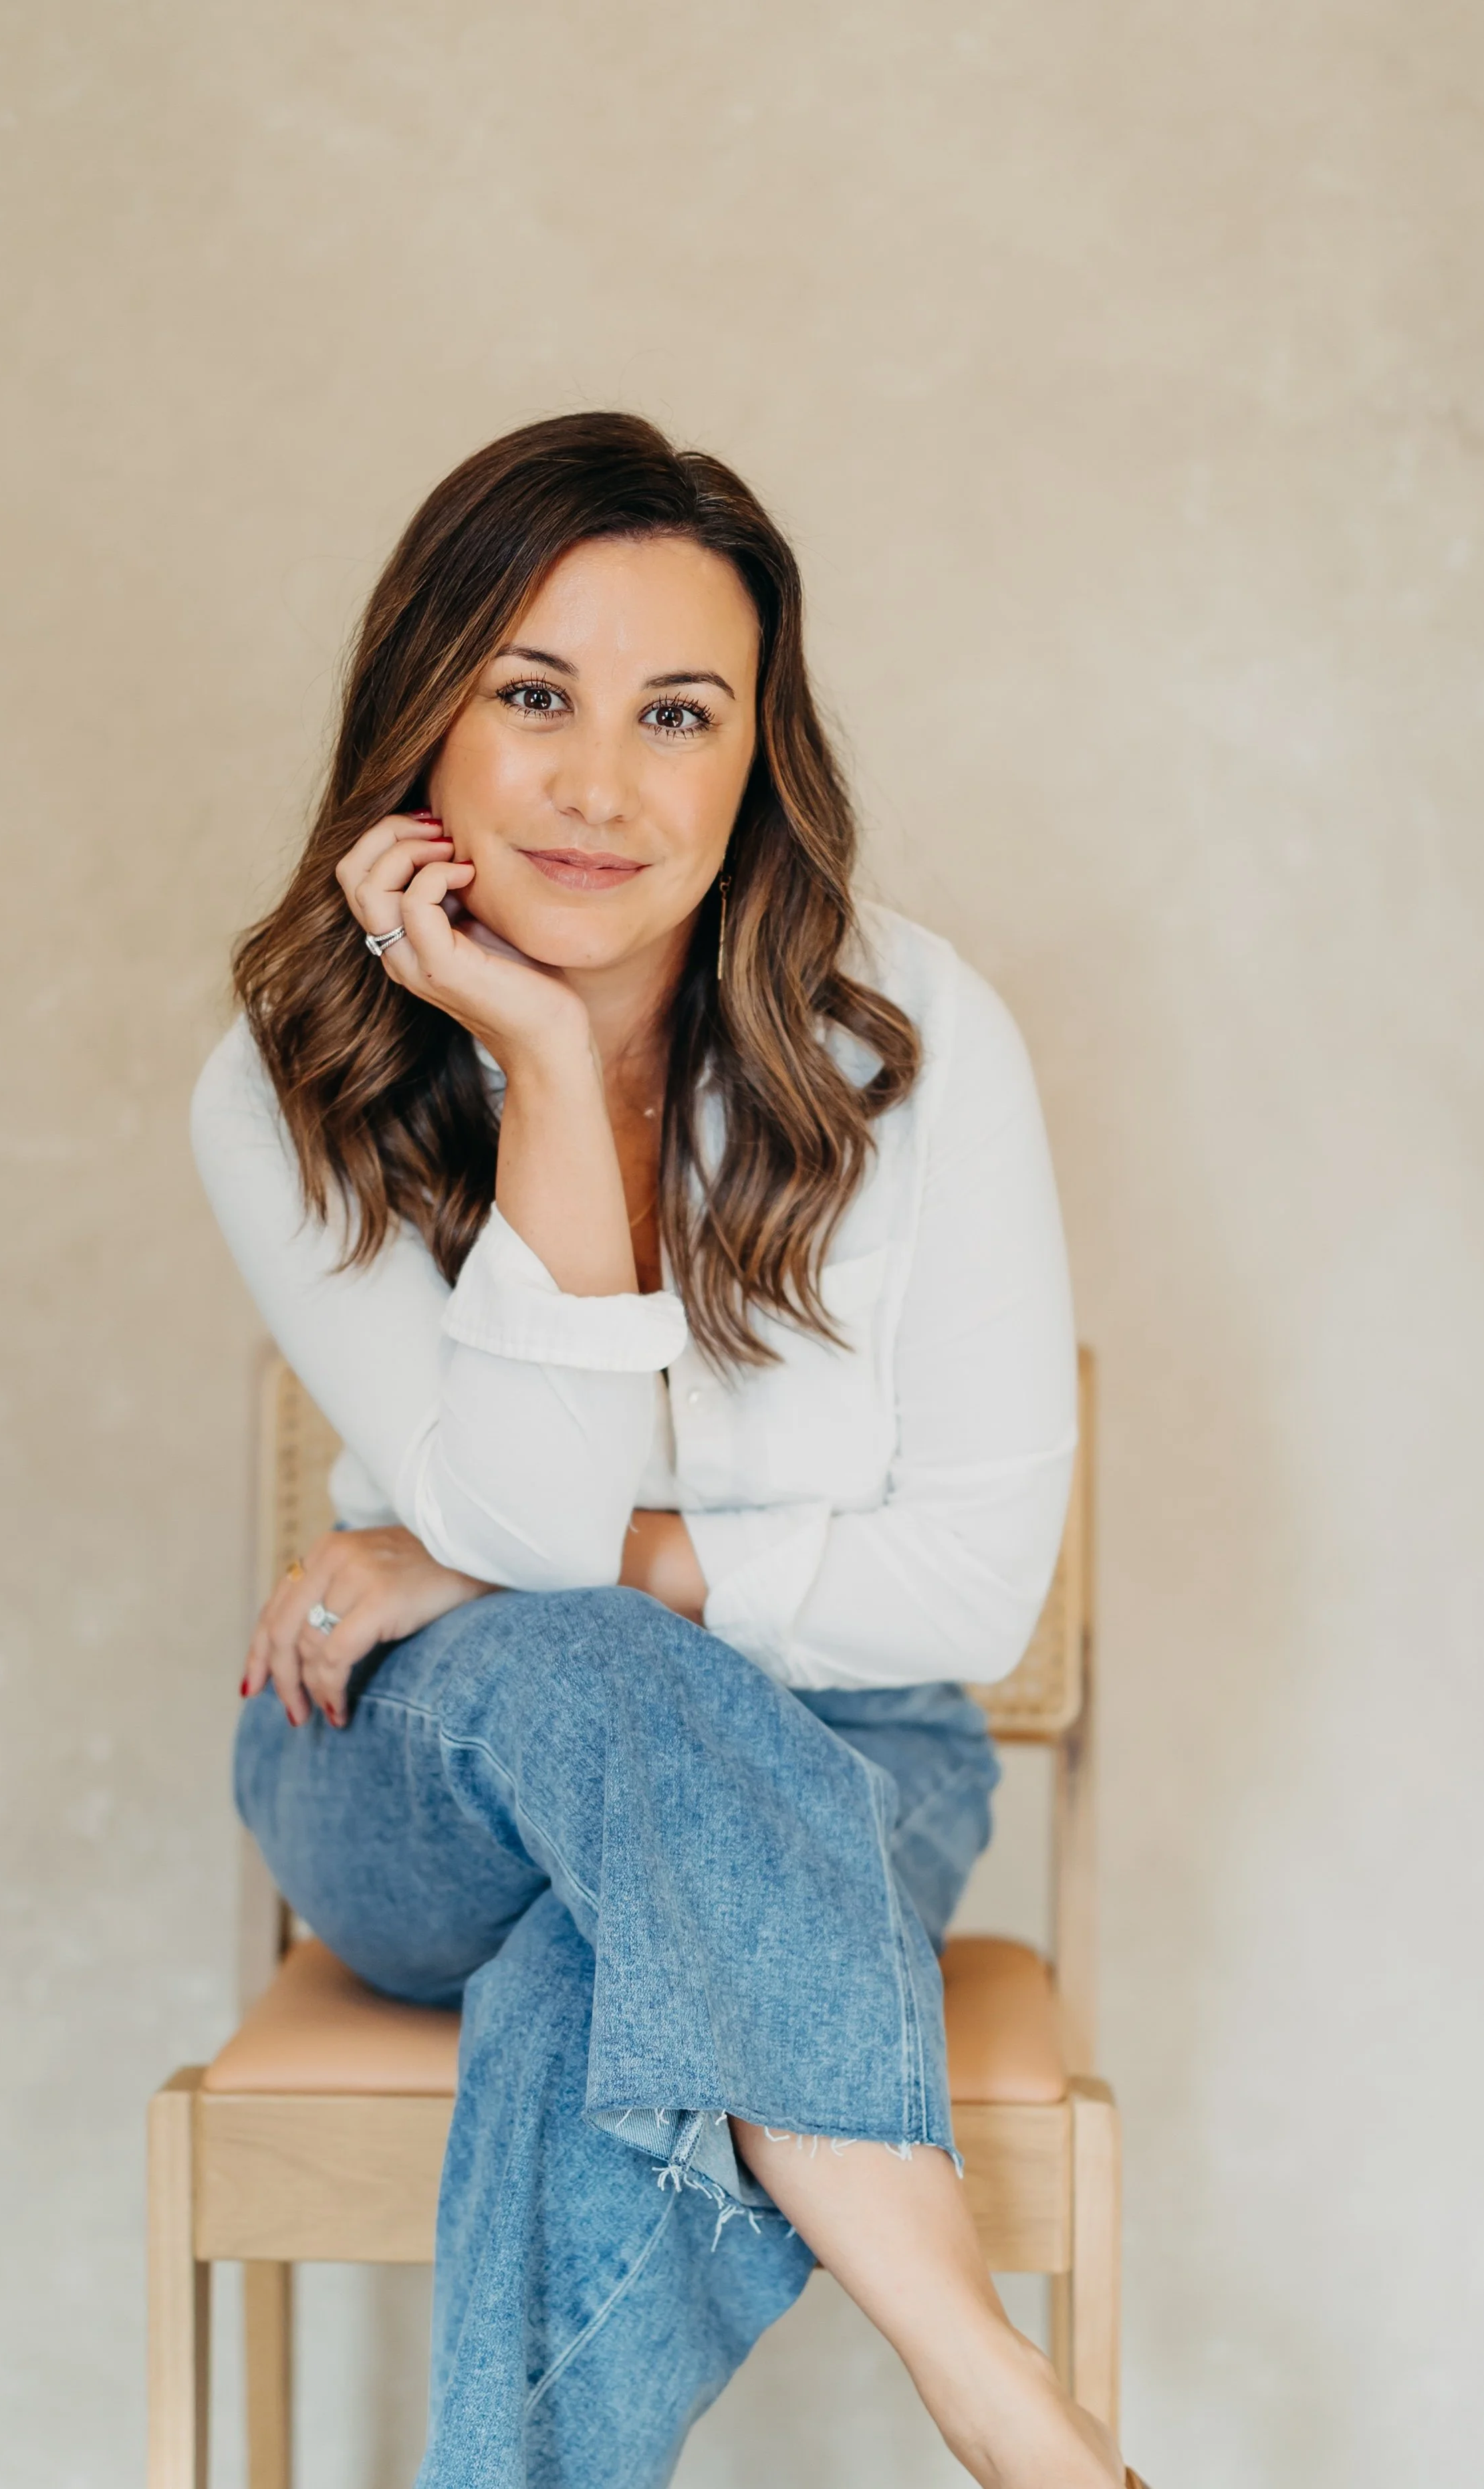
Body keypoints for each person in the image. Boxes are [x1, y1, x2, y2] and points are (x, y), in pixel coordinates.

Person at [193, 412, 1147, 2489]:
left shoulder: (915, 1037)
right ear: (422, 721)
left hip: (848, 1761)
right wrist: (537, 1053)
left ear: (755, 763)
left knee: (594, 1988)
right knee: (607, 1686)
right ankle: (994, 2389)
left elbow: (976, 1593)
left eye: (678, 714)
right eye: (532, 693)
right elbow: (536, 1541)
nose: (599, 783)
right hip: (404, 1753)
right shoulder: (291, 1083)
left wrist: (504, 1560)